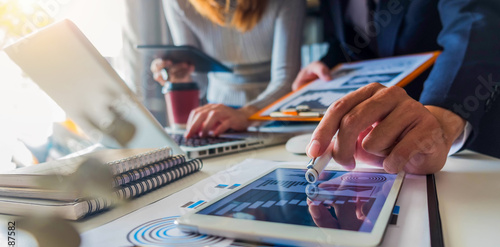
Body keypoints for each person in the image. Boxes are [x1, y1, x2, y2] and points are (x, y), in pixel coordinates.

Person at [293, 0, 500, 175]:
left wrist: (439, 124)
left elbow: (475, 23)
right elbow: (346, 43)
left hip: (470, 134)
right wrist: (325, 66)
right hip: (375, 140)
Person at [151, 0, 305, 138]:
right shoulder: (178, 3)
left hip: (276, 111)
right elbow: (199, 81)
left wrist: (246, 114)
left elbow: (287, 80)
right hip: (218, 113)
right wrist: (179, 78)